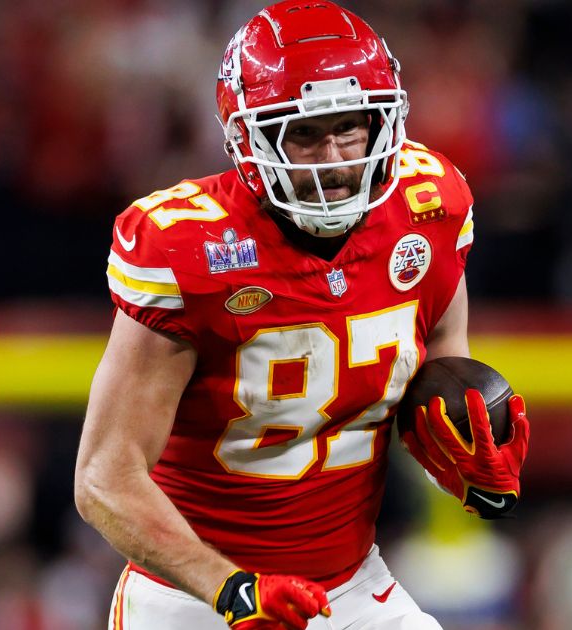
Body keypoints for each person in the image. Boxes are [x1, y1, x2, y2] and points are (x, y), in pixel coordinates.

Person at [74, 2, 530, 629]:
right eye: (305, 133)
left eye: (351, 127)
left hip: (350, 584)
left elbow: (442, 360)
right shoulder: (187, 248)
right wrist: (231, 589)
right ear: (247, 138)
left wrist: (467, 456)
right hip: (198, 597)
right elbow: (104, 477)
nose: (337, 159)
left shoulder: (430, 205)